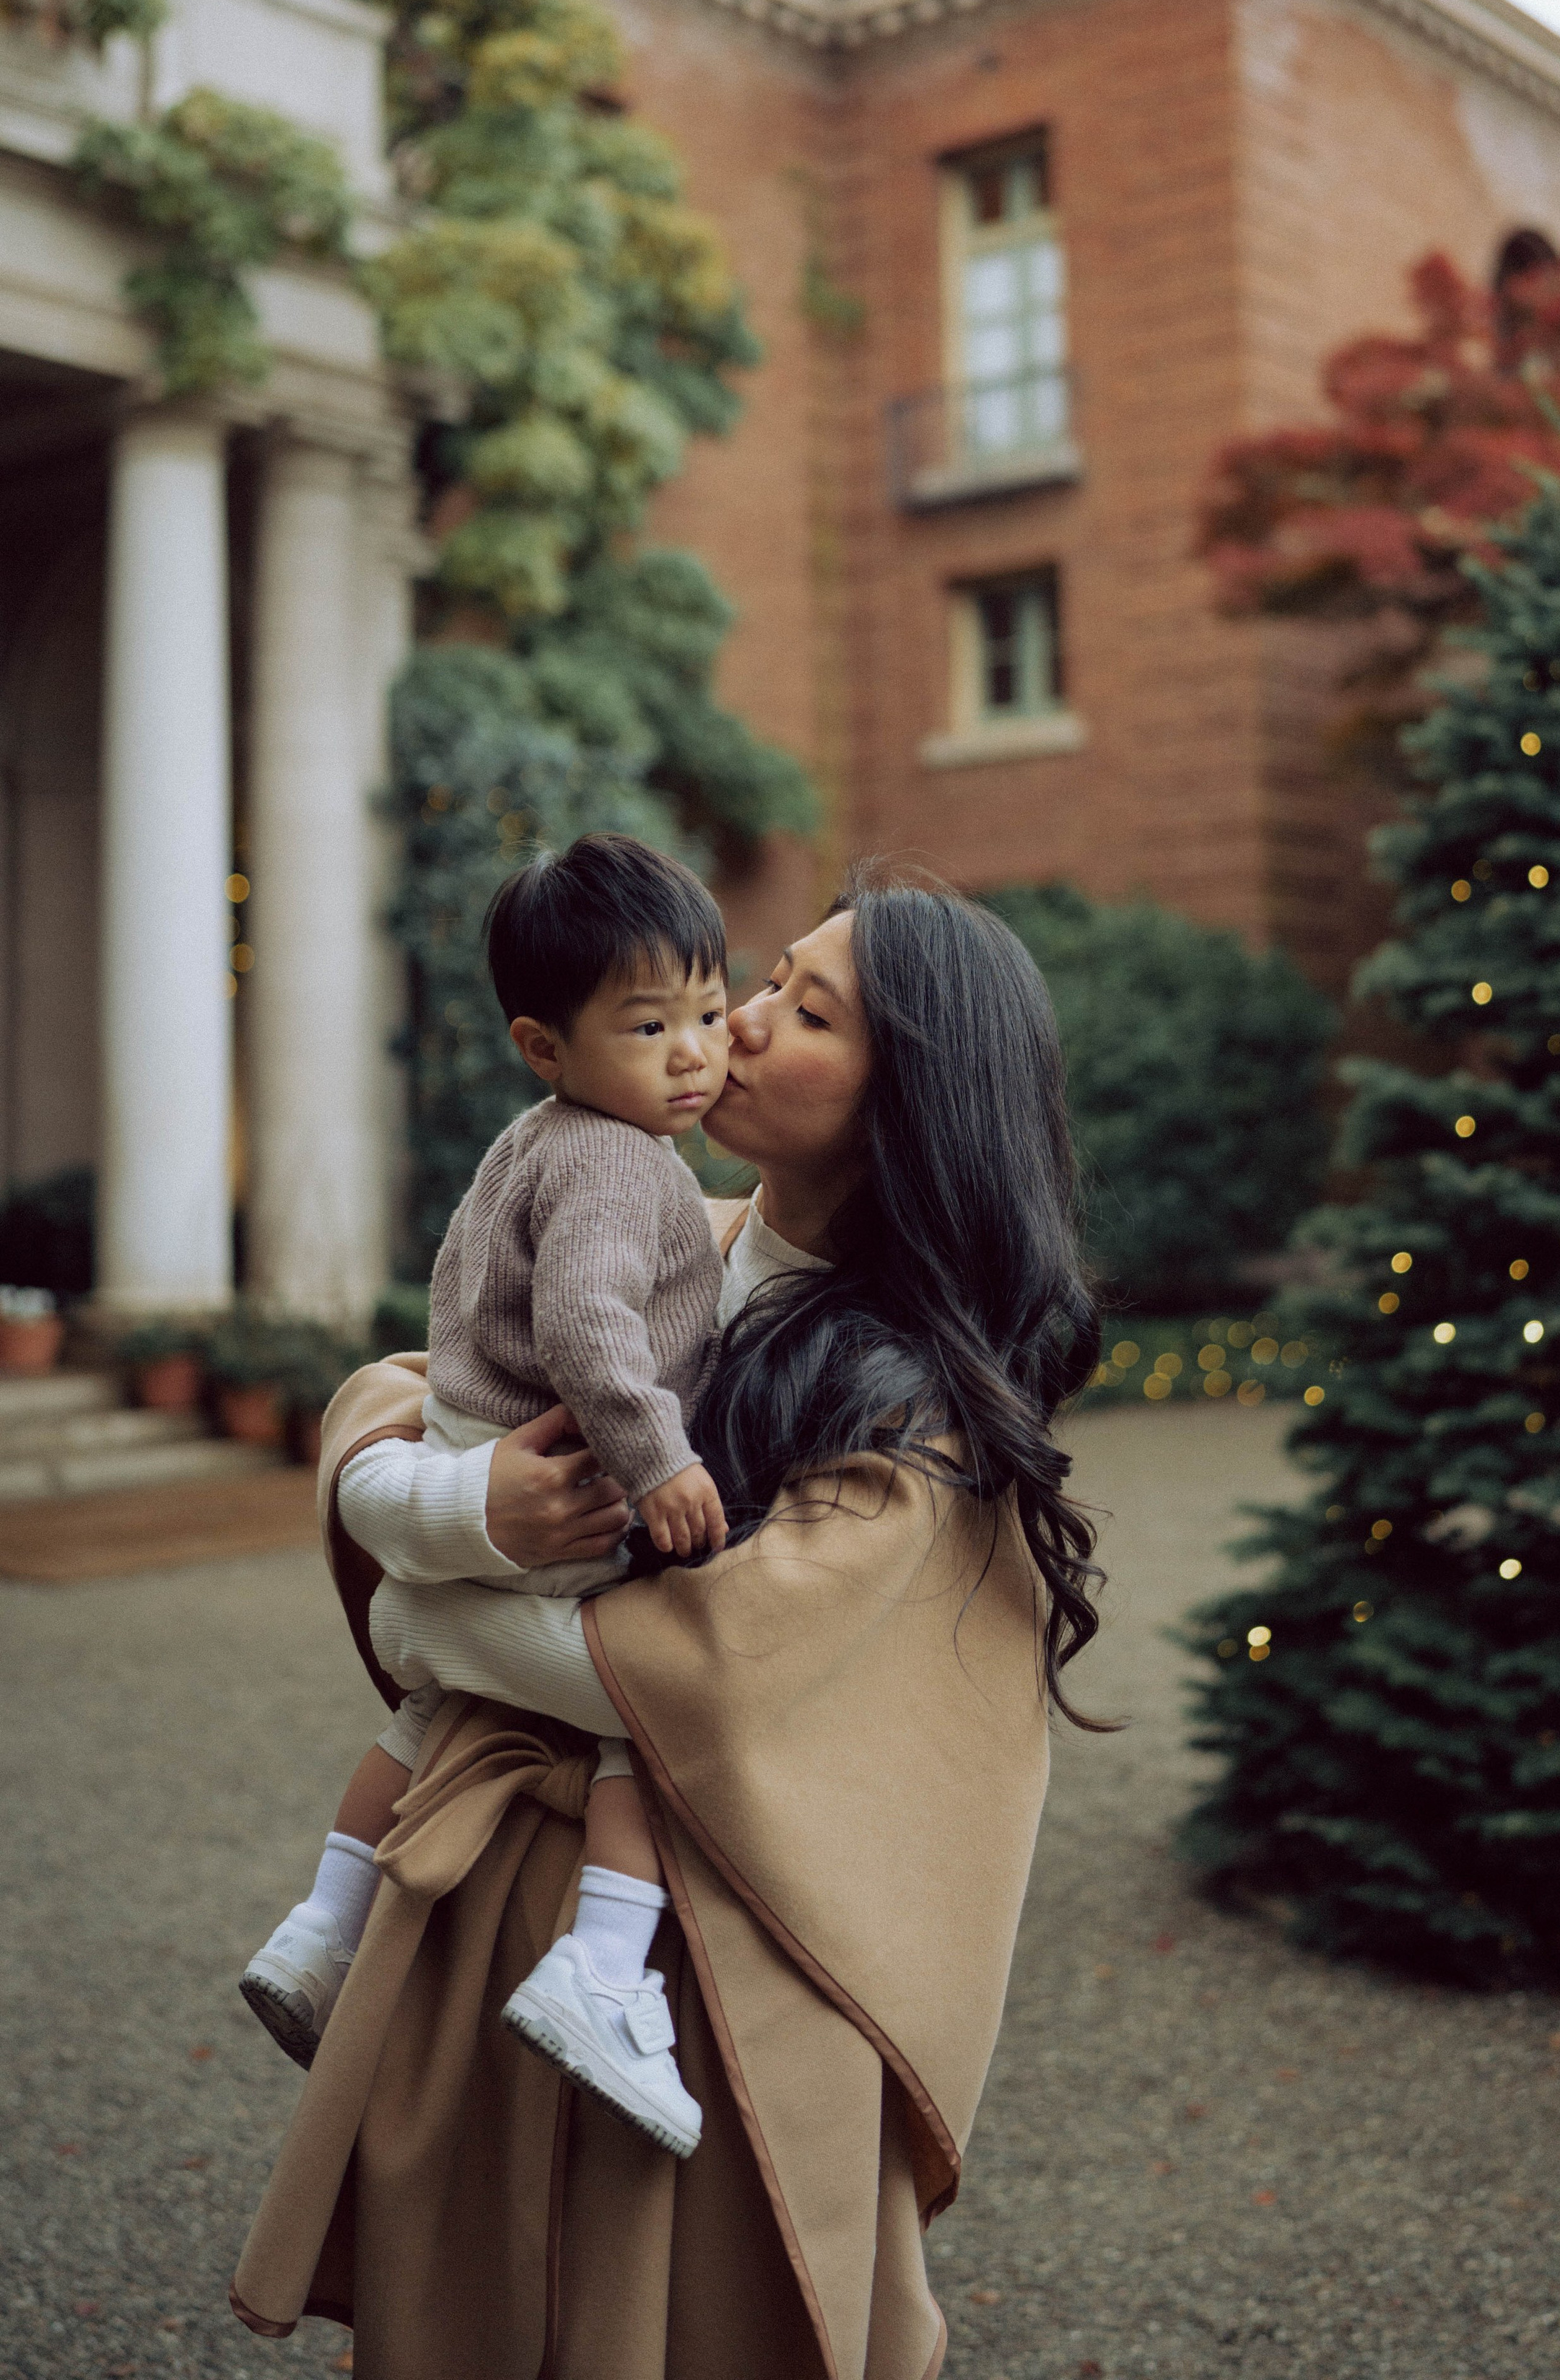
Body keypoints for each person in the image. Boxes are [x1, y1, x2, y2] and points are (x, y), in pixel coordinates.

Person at [232, 874, 1108, 2380]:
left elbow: (679, 1678)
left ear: (914, 1101)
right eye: (766, 977)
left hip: (703, 1990)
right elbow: (385, 1407)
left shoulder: (915, 1417)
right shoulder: (645, 1227)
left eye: (805, 1011)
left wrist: (436, 1604)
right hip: (488, 1929)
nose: (736, 1021)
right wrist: (469, 1517)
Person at [241, 834, 733, 2157]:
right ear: (544, 1044)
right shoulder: (628, 1164)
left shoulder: (537, 1142)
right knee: (652, 1730)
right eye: (650, 1024)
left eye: (706, 1010)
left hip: (469, 1443)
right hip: (563, 1488)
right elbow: (585, 1327)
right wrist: (662, 1459)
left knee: (425, 1713)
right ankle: (605, 1972)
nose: (697, 1050)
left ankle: (321, 1927)